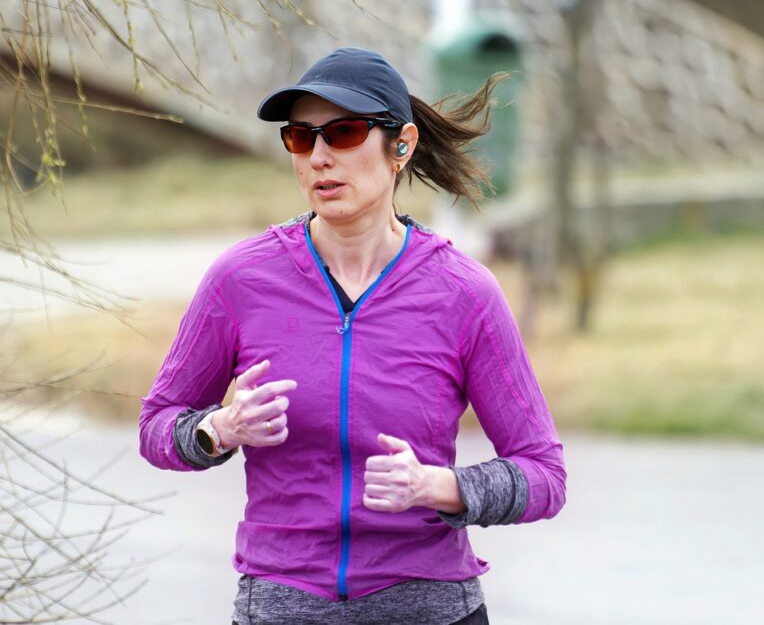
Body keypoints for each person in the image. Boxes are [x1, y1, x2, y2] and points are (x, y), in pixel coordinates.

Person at [138, 47, 567, 624]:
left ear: (402, 146)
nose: (318, 157)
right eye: (300, 137)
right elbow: (157, 426)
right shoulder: (241, 280)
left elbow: (544, 474)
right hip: (282, 608)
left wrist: (439, 487)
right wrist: (219, 429)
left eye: (343, 133)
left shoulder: (464, 293)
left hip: (430, 609)